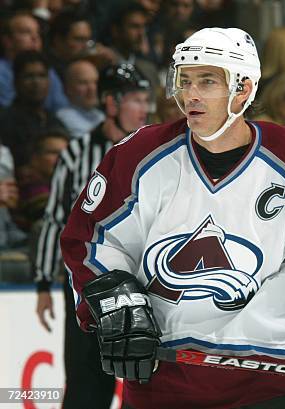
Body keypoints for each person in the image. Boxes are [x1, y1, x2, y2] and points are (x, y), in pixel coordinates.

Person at [59, 27, 285, 409]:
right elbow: (90, 242)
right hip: (164, 383)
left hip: (271, 383)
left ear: (244, 88)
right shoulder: (139, 157)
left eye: (207, 81)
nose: (191, 95)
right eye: (184, 81)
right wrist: (116, 297)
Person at [34, 63, 151, 409]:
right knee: (87, 384)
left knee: (149, 383)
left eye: (146, 100)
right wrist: (43, 283)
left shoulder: (156, 152)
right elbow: (56, 219)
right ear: (110, 103)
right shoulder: (76, 153)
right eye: (136, 100)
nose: (144, 109)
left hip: (146, 284)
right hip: (88, 285)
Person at [0, 50, 66, 169]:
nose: (36, 82)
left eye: (42, 75)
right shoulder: (5, 121)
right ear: (16, 81)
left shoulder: (55, 121)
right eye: (29, 76)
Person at [0, 11, 68, 112]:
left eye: (38, 33)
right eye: (26, 32)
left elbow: (62, 108)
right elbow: (9, 111)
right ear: (8, 41)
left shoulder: (48, 70)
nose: (35, 37)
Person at [56, 59, 105, 138]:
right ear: (67, 88)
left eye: (95, 82)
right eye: (83, 83)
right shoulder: (62, 119)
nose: (92, 88)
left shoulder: (101, 116)